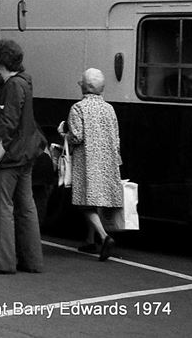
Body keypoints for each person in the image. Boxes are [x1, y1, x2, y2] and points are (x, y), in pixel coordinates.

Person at [0, 39, 46, 274]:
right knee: (26, 207)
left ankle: (3, 261)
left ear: (2, 59)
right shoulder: (24, 80)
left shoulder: (13, 87)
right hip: (28, 152)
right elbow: (3, 77)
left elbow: (8, 124)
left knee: (2, 207)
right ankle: (33, 261)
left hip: (12, 155)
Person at [61, 68, 123, 261]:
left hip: (87, 161)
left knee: (83, 203)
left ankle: (104, 237)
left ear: (85, 87)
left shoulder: (78, 108)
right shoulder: (109, 109)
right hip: (108, 160)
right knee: (96, 201)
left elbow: (77, 136)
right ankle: (90, 240)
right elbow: (116, 137)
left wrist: (64, 132)